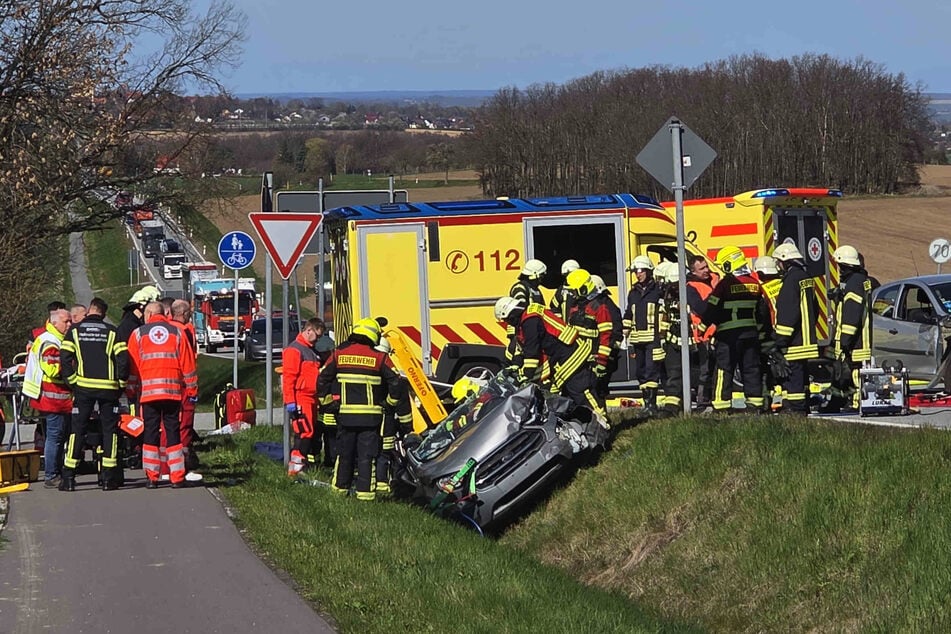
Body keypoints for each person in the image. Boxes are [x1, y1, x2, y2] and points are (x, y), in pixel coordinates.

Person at [318, 318, 402, 501]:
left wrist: (327, 404)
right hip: (371, 419)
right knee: (367, 457)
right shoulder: (380, 357)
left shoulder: (338, 354)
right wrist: (389, 403)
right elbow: (396, 382)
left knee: (344, 454)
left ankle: (339, 491)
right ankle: (365, 495)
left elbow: (322, 379)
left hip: (346, 417)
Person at [494, 296, 608, 425]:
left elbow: (532, 351)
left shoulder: (529, 321)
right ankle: (588, 425)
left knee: (581, 392)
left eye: (507, 320)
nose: (508, 323)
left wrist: (526, 375)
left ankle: (602, 423)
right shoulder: (528, 315)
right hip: (566, 354)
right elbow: (524, 348)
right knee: (570, 397)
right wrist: (516, 366)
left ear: (510, 314)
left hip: (571, 355)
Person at [58, 297, 129, 491]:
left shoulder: (75, 331)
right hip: (108, 389)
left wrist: (72, 381)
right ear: (104, 314)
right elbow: (123, 361)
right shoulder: (113, 332)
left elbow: (64, 358)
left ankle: (69, 477)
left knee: (77, 431)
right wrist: (120, 385)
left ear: (89, 311)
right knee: (110, 431)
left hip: (83, 388)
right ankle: (108, 478)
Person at [127, 301, 198, 488]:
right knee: (173, 432)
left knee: (150, 433)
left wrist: (131, 388)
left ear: (149, 315)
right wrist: (192, 390)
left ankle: (152, 477)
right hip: (172, 393)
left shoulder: (138, 334)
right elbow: (188, 365)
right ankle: (177, 476)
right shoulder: (178, 333)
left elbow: (132, 366)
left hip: (148, 394)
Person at [700, 246, 765, 413]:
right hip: (751, 335)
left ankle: (721, 406)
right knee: (751, 369)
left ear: (729, 265)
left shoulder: (725, 285)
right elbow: (762, 312)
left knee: (724, 369)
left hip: (729, 337)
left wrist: (702, 327)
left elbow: (712, 308)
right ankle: (755, 405)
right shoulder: (754, 284)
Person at [22, 308, 73, 488]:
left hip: (56, 398)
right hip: (52, 397)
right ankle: (51, 475)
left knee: (57, 435)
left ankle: (55, 472)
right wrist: (72, 370)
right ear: (54, 323)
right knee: (55, 436)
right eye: (66, 321)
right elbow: (51, 369)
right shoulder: (50, 342)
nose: (69, 324)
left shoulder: (54, 339)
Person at [771, 243, 819, 416]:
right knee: (802, 374)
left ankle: (796, 411)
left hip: (795, 341)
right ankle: (803, 406)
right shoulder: (806, 277)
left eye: (779, 262)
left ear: (785, 261)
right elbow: (816, 308)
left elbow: (788, 312)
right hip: (807, 338)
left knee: (794, 376)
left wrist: (780, 340)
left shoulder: (790, 281)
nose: (778, 266)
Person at [824, 245, 873, 413]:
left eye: (840, 266)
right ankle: (839, 402)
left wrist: (845, 340)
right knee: (842, 373)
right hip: (858, 340)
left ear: (845, 265)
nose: (839, 270)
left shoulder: (854, 284)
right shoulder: (861, 280)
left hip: (855, 342)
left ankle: (858, 403)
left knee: (853, 372)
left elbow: (852, 314)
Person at [282, 318, 326, 477]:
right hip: (301, 397)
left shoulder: (311, 350)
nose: (318, 340)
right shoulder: (295, 350)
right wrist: (291, 401)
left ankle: (299, 464)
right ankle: (296, 467)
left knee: (308, 431)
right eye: (317, 336)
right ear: (309, 331)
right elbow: (289, 378)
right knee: (304, 432)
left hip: (311, 397)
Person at [622, 255, 662, 414]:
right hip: (637, 339)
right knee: (641, 371)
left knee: (652, 370)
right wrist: (624, 330)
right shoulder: (633, 292)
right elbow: (628, 313)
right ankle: (646, 403)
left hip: (653, 338)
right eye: (635, 272)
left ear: (648, 271)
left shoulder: (658, 290)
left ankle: (652, 405)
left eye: (640, 271)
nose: (637, 274)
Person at [373, 337, 413, 494]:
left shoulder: (371, 373)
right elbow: (403, 408)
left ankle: (376, 481)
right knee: (385, 453)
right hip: (387, 422)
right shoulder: (394, 378)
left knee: (370, 452)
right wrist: (406, 428)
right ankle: (383, 482)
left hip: (370, 422)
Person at [686, 254, 719, 408]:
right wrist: (716, 293)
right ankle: (703, 400)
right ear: (693, 272)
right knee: (705, 370)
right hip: (704, 334)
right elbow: (701, 309)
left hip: (720, 331)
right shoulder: (691, 287)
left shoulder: (715, 277)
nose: (707, 270)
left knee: (720, 368)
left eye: (706, 266)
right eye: (702, 269)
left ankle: (716, 398)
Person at [752, 256, 784, 412]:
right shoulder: (785, 284)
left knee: (765, 371)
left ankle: (765, 403)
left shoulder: (762, 290)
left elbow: (762, 316)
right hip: (788, 334)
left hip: (770, 336)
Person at [171, 299, 199, 470]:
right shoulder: (184, 331)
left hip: (167, 385)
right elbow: (188, 363)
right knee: (184, 425)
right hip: (183, 385)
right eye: (189, 313)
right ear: (183, 314)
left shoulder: (167, 330)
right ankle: (184, 463)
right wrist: (193, 389)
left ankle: (169, 465)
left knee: (169, 426)